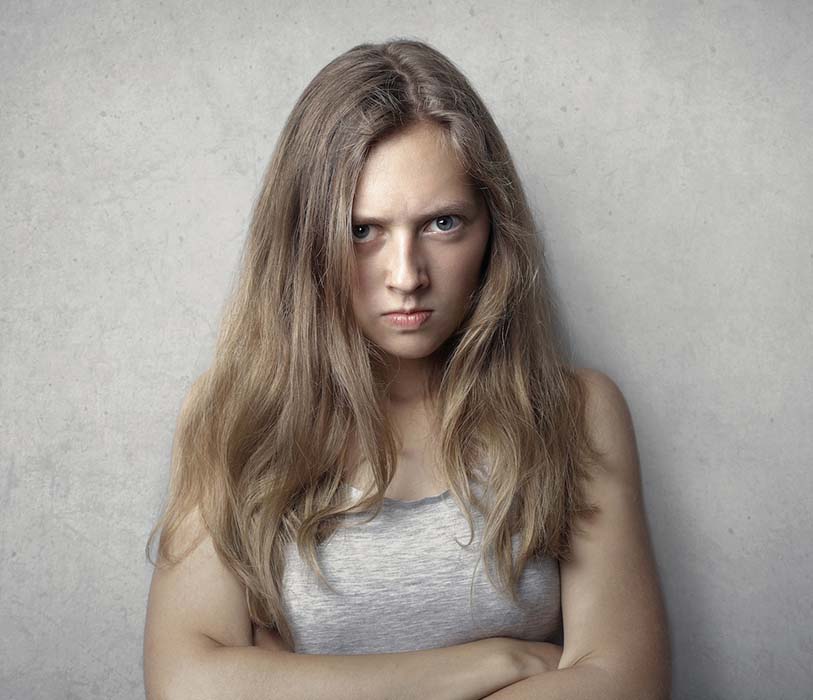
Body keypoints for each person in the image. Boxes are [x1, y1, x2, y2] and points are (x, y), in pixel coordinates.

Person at [143, 38, 670, 699]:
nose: (406, 277)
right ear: (305, 239)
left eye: (443, 223)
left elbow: (625, 684)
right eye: (362, 230)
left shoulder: (573, 412)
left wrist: (289, 682)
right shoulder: (234, 418)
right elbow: (187, 686)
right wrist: (495, 663)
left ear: (492, 230)